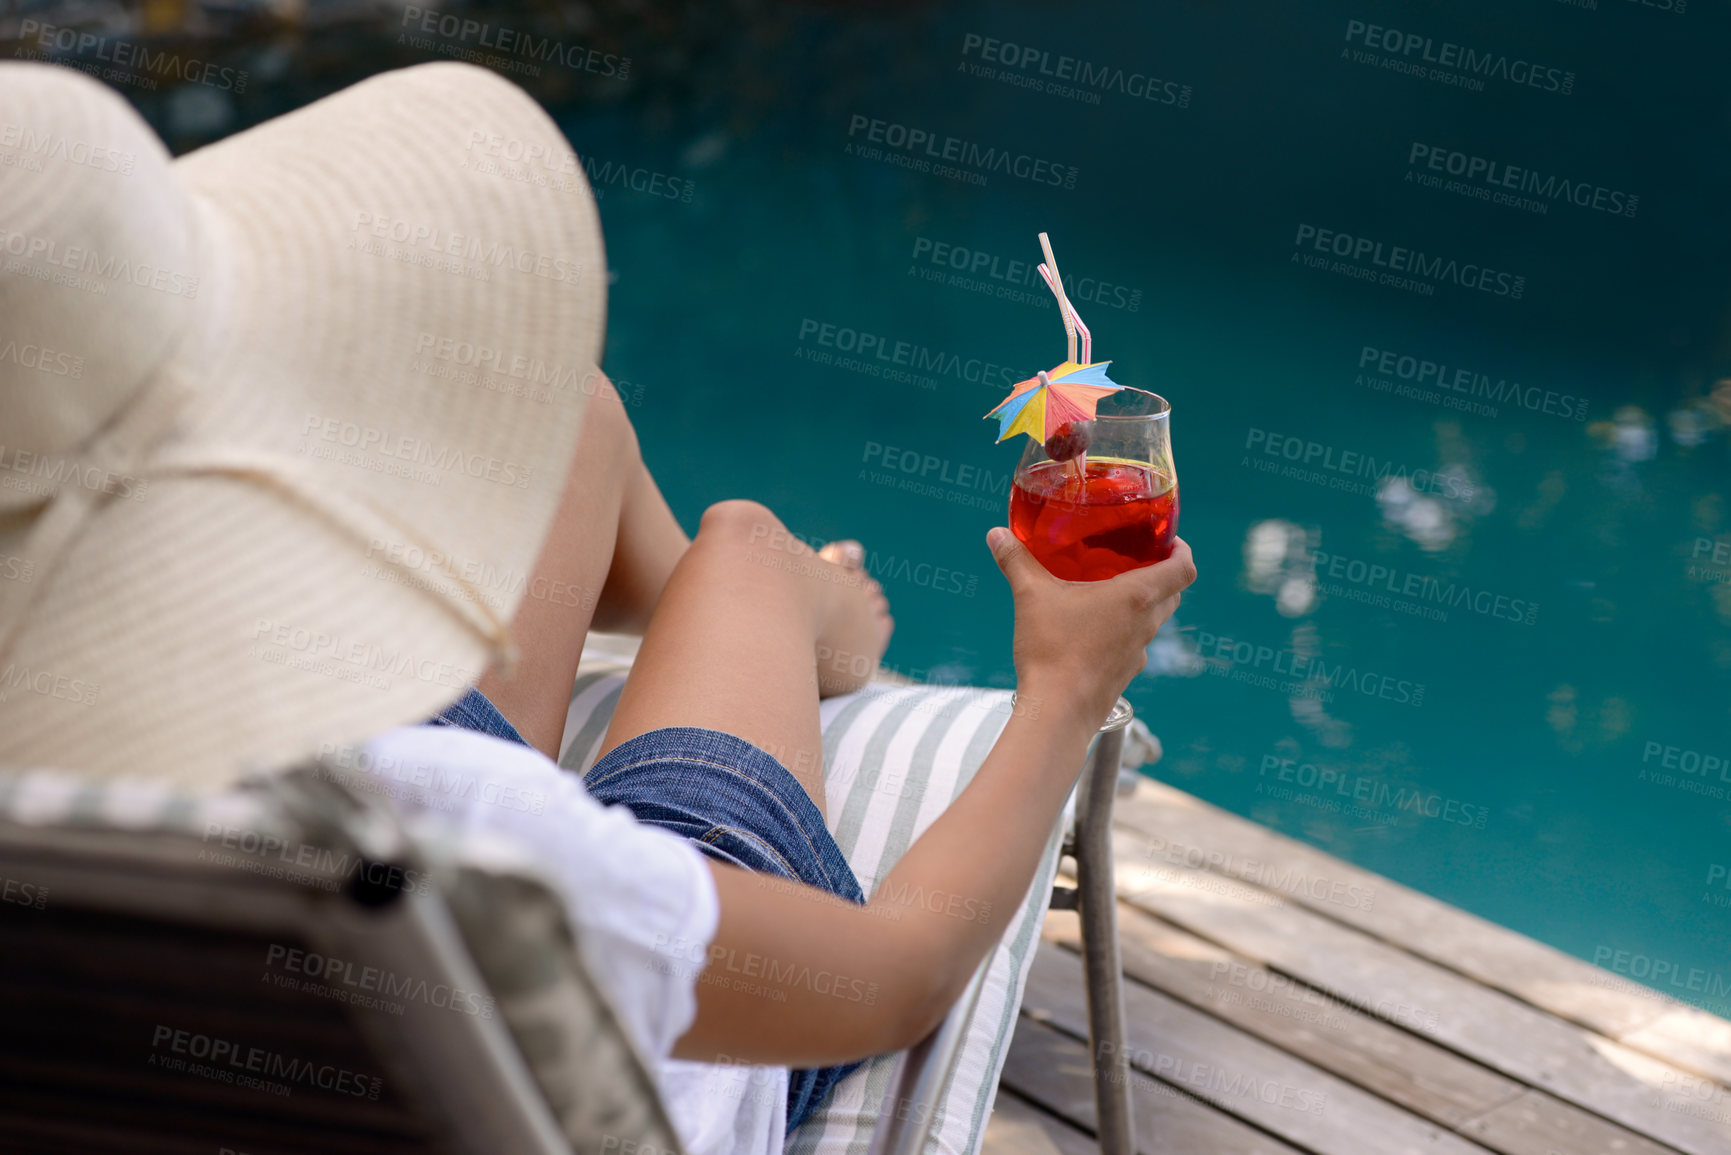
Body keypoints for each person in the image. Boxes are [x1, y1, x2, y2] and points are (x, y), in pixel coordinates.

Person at [0, 60, 1195, 1155]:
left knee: (556, 412)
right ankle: (798, 607)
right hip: (586, 1049)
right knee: (740, 542)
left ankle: (737, 610)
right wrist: (1066, 689)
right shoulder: (478, 851)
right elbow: (896, 976)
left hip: (289, 799)